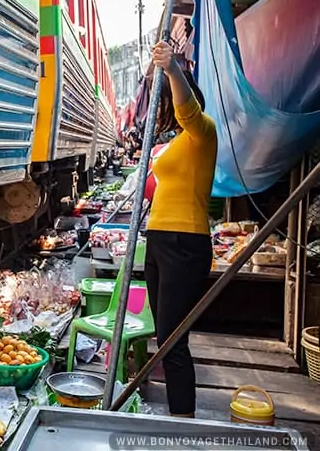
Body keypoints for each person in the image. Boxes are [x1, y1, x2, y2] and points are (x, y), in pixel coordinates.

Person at [144, 41, 218, 418]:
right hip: (158, 242)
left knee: (173, 344)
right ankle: (178, 415)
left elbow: (186, 110)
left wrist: (172, 69)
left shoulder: (203, 132)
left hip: (184, 244)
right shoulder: (176, 143)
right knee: (164, 339)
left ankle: (182, 424)